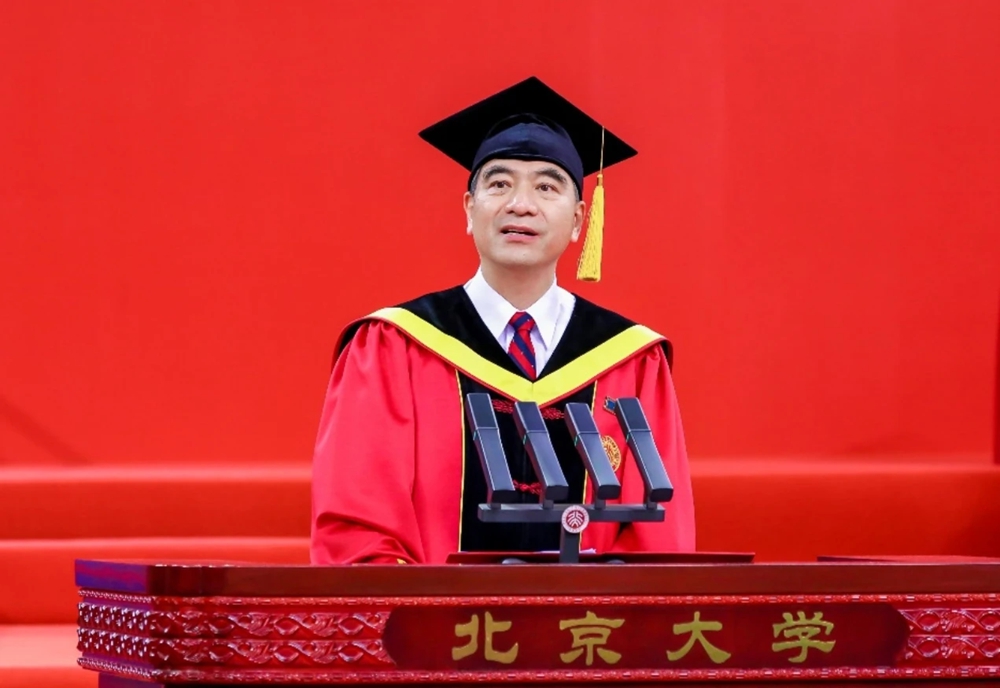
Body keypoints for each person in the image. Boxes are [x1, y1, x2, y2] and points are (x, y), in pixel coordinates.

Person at [310, 77, 695, 564]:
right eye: (499, 184)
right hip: (431, 615)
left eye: (546, 187)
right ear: (469, 210)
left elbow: (658, 544)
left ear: (580, 220)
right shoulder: (392, 346)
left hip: (589, 616)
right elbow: (359, 531)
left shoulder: (631, 360)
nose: (521, 204)